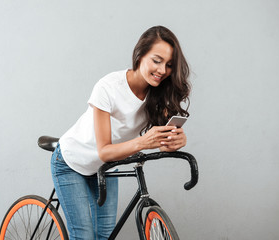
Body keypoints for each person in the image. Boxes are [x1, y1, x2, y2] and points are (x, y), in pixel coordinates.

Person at [51, 25, 191, 240]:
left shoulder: (159, 95)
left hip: (106, 167)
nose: (162, 70)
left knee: (105, 235)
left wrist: (176, 140)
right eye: (156, 60)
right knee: (84, 236)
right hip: (71, 162)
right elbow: (105, 150)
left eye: (169, 65)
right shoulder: (108, 87)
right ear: (140, 54)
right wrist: (144, 142)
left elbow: (161, 139)